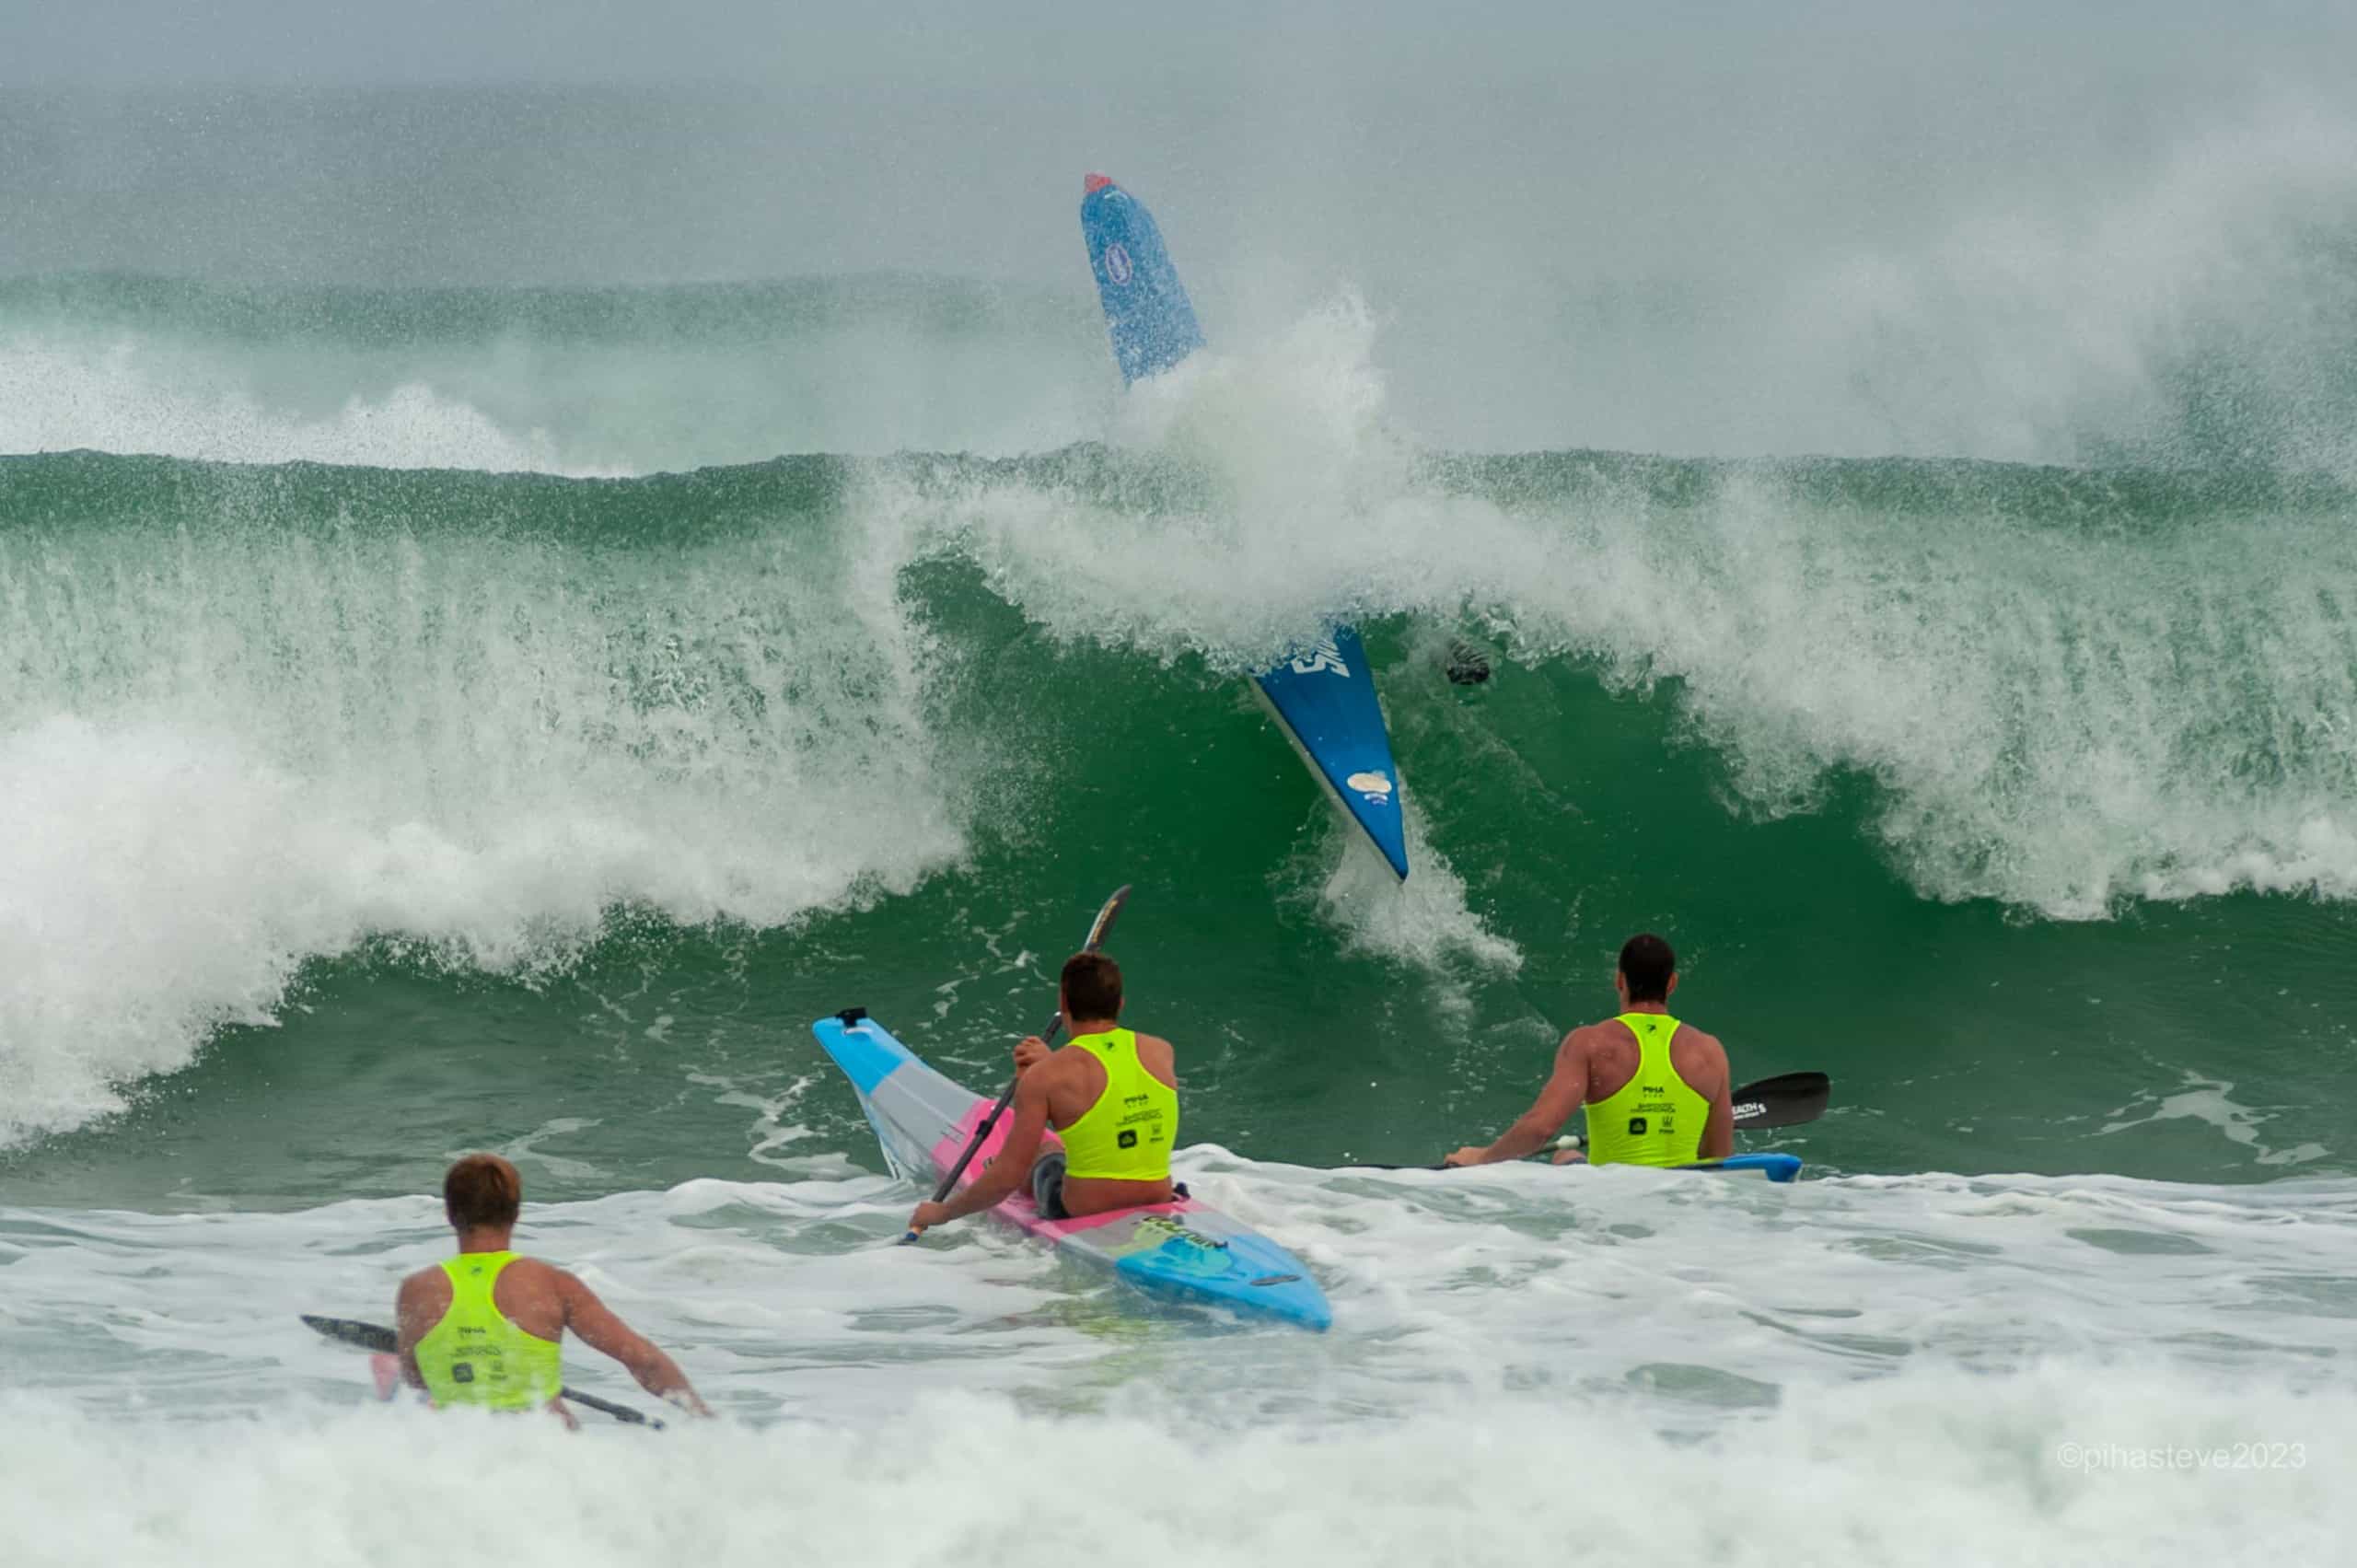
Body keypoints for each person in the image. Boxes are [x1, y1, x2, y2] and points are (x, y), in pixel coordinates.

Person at [394, 1153, 712, 1423]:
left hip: (453, 1453)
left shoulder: (417, 1290)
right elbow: (644, 1361)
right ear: (516, 1213)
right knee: (560, 1417)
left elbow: (416, 1379)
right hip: (542, 1454)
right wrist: (705, 1420)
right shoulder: (551, 1284)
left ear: (450, 1214)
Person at [907, 951, 1178, 1235]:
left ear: (1063, 1004)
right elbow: (1113, 1087)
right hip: (1157, 1198)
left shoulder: (1045, 1077)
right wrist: (1051, 1064)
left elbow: (1007, 1178)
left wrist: (944, 1212)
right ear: (1120, 1003)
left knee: (1046, 1151)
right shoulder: (1161, 1052)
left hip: (1083, 1209)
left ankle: (993, 1163)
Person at [1445, 934, 1734, 1169]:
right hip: (1682, 1201)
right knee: (1567, 1155)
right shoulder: (1710, 1051)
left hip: (1609, 1205)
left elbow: (1540, 1128)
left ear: (1619, 980)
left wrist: (1482, 1158)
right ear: (1672, 983)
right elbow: (1718, 1157)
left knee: (1564, 1156)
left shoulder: (1590, 1043)